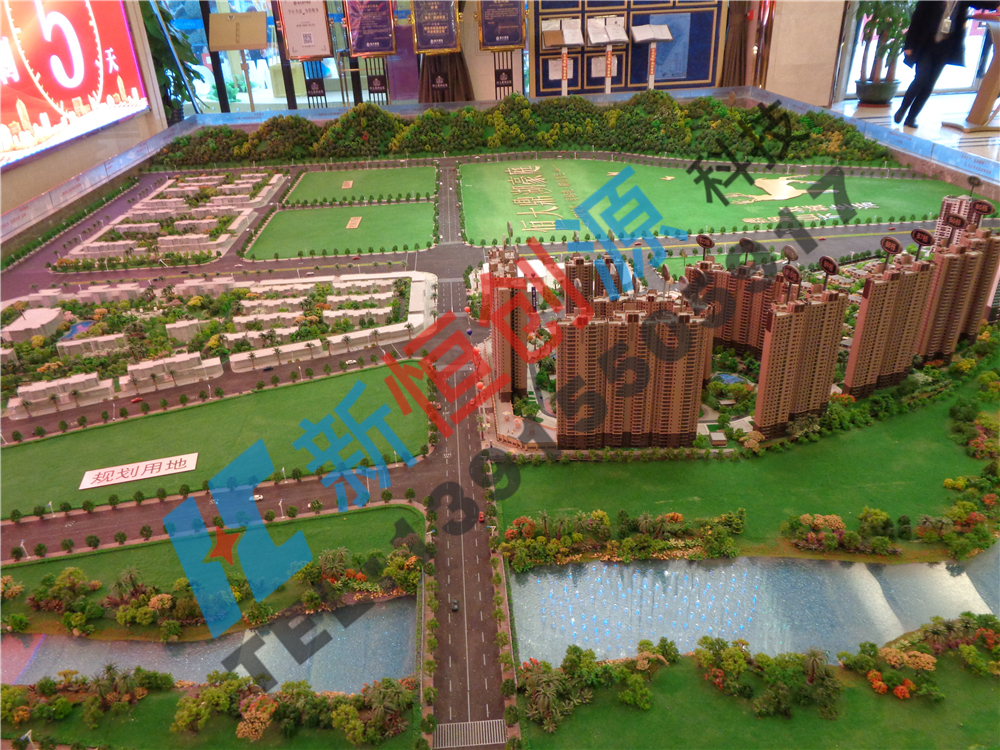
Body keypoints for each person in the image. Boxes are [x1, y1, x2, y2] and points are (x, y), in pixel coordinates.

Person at [894, 0, 1000, 127]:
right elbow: (917, 19)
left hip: (946, 45)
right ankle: (902, 109)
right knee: (921, 78)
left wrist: (997, 4)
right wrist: (909, 45)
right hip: (926, 43)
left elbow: (981, 3)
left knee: (930, 83)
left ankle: (911, 118)